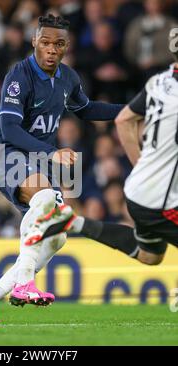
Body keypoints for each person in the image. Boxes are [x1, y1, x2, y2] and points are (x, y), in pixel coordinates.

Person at [0, 14, 123, 323]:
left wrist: (128, 110)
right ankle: (25, 285)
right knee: (46, 197)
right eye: (46, 42)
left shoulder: (68, 78)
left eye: (59, 44)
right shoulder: (18, 76)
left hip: (37, 162)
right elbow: (9, 129)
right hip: (6, 156)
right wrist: (53, 153)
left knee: (57, 233)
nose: (52, 49)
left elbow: (88, 108)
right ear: (34, 42)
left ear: (67, 47)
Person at [44, 30, 178, 270]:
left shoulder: (159, 81)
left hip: (140, 190)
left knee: (150, 255)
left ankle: (76, 223)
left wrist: (140, 167)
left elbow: (124, 119)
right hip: (161, 200)